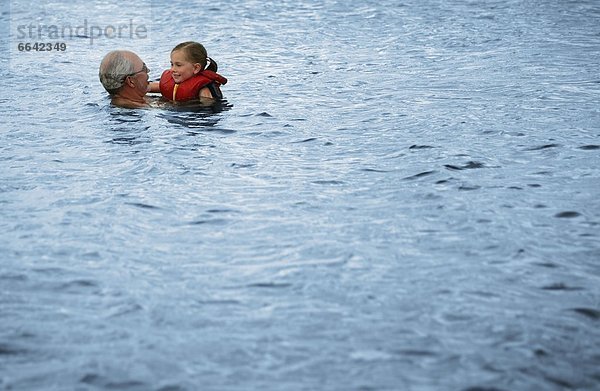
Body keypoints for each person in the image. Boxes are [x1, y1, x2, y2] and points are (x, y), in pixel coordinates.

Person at [148, 41, 227, 103]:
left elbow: (207, 107)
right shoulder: (171, 82)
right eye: (172, 64)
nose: (172, 69)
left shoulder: (203, 90)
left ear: (196, 68)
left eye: (178, 65)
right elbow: (150, 87)